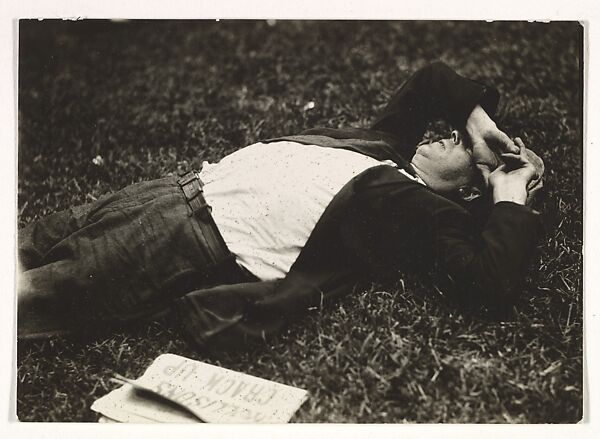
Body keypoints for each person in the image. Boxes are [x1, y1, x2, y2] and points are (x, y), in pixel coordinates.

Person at [17, 62, 544, 348]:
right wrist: (479, 128)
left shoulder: (418, 211)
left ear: (471, 191)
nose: (446, 136)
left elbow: (490, 282)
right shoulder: (387, 149)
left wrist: (509, 194)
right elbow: (431, 80)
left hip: (187, 239)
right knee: (31, 240)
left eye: (458, 144)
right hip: (170, 191)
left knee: (31, 293)